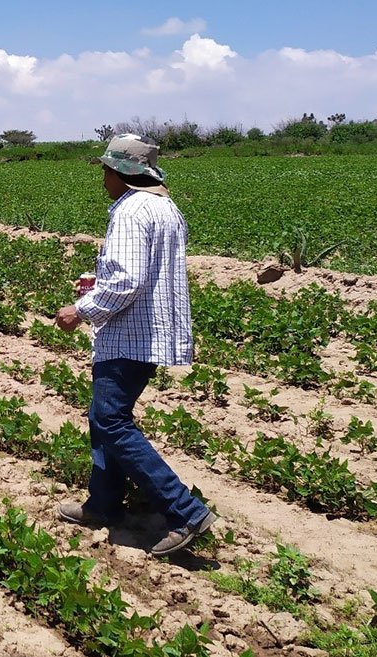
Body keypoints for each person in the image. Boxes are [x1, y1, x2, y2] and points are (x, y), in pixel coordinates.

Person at [53, 133, 215, 557]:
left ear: (122, 173)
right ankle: (103, 505)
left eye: (106, 169)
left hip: (128, 335)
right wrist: (98, 284)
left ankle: (185, 511)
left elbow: (126, 281)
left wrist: (81, 308)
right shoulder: (164, 207)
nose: (103, 178)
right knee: (104, 417)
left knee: (111, 422)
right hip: (151, 330)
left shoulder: (130, 210)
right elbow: (140, 273)